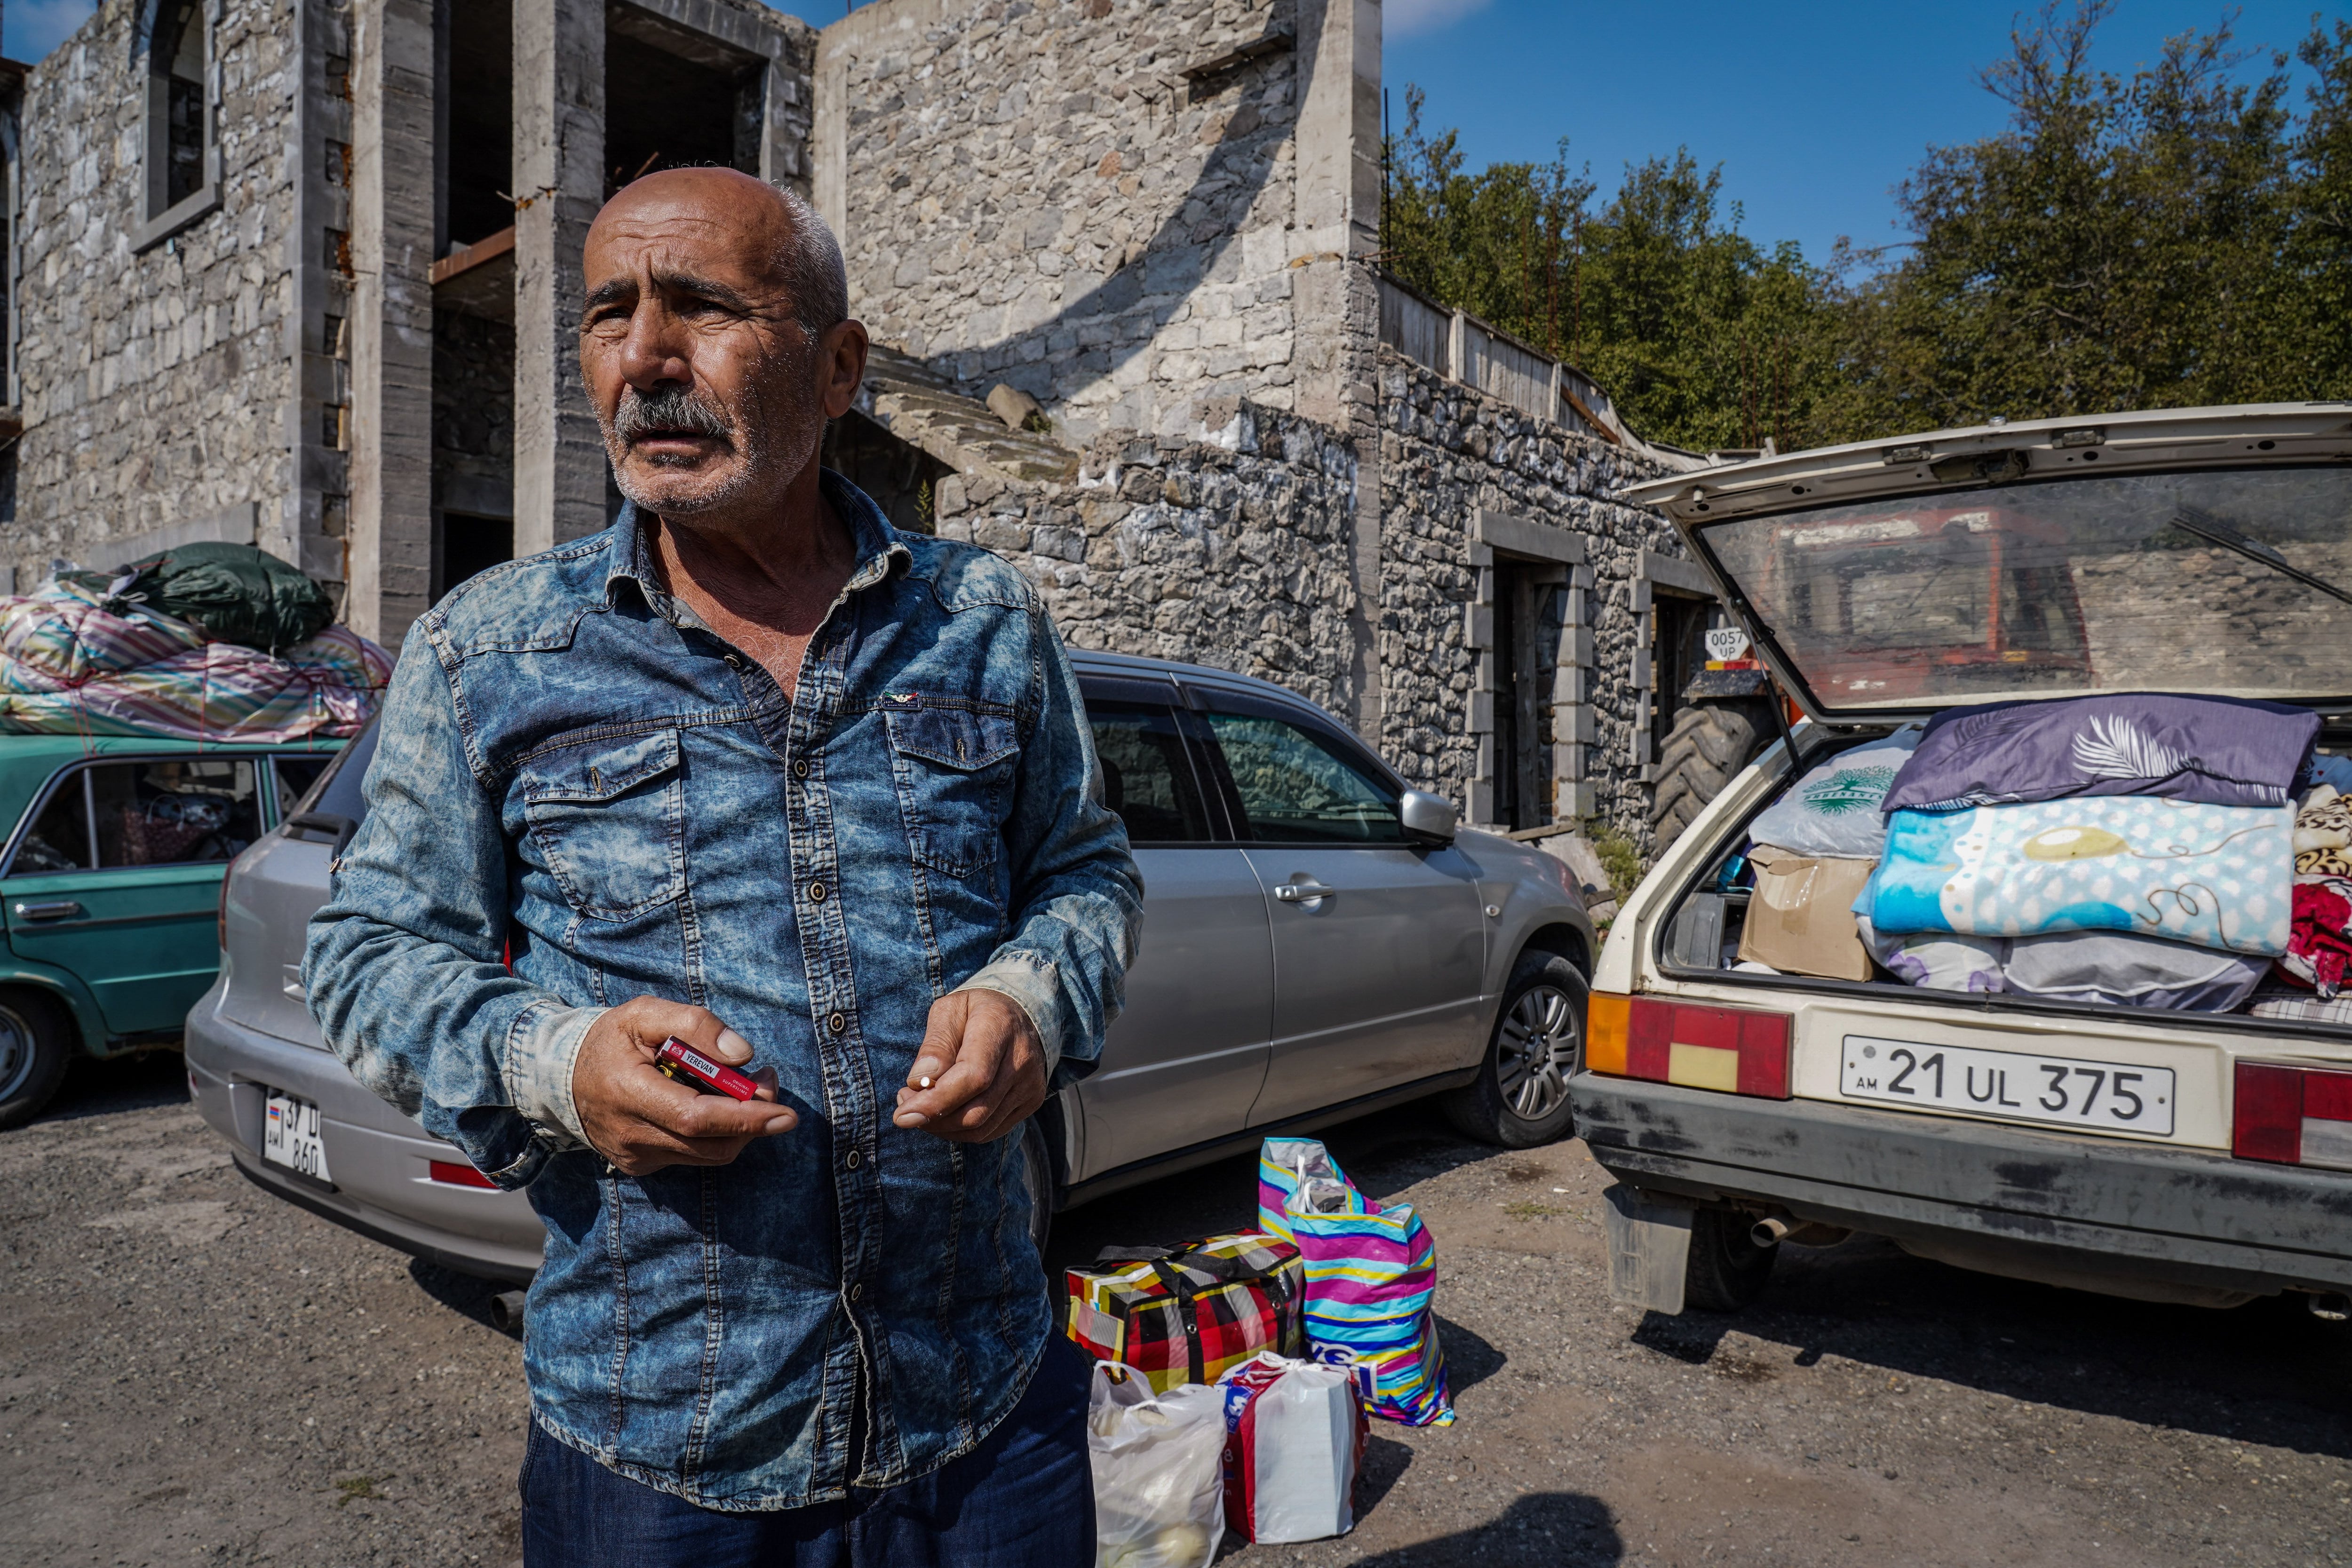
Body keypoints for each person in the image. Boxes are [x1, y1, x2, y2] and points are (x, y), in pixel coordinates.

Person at [303, 167, 1142, 1567]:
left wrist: (1036, 1001)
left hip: (985, 1427)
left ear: (838, 369)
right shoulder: (486, 651)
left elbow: (1086, 873)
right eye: (608, 314)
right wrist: (558, 1063)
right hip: (659, 1457)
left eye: (701, 307)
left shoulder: (984, 621)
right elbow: (369, 952)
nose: (643, 358)